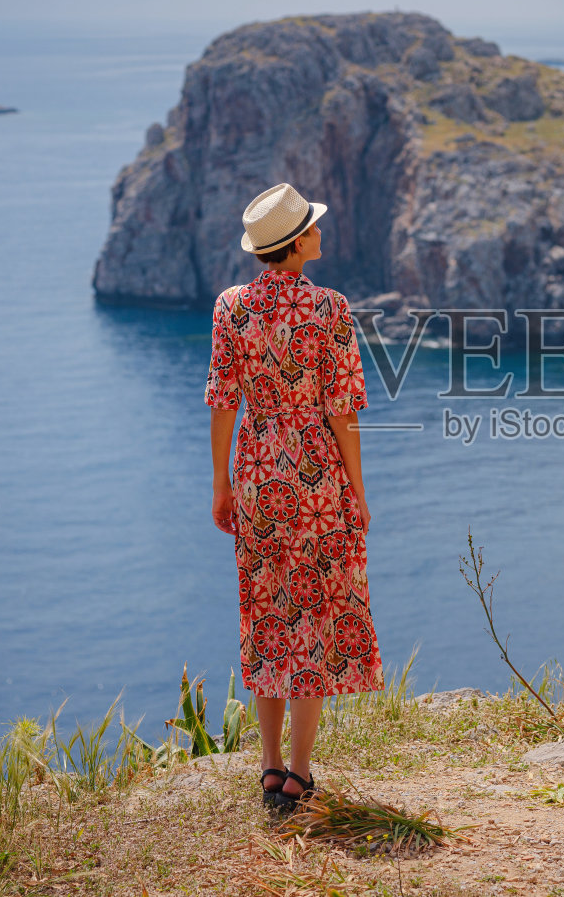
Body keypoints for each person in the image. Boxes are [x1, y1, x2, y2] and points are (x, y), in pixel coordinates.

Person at [206, 183, 382, 811]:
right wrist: (357, 493)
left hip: (256, 472)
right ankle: (301, 773)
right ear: (296, 243)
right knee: (315, 614)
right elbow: (342, 411)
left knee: (266, 614)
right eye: (311, 225)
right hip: (316, 480)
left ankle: (269, 765)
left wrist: (224, 483)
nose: (317, 231)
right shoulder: (330, 309)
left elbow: (223, 403)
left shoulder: (232, 308)